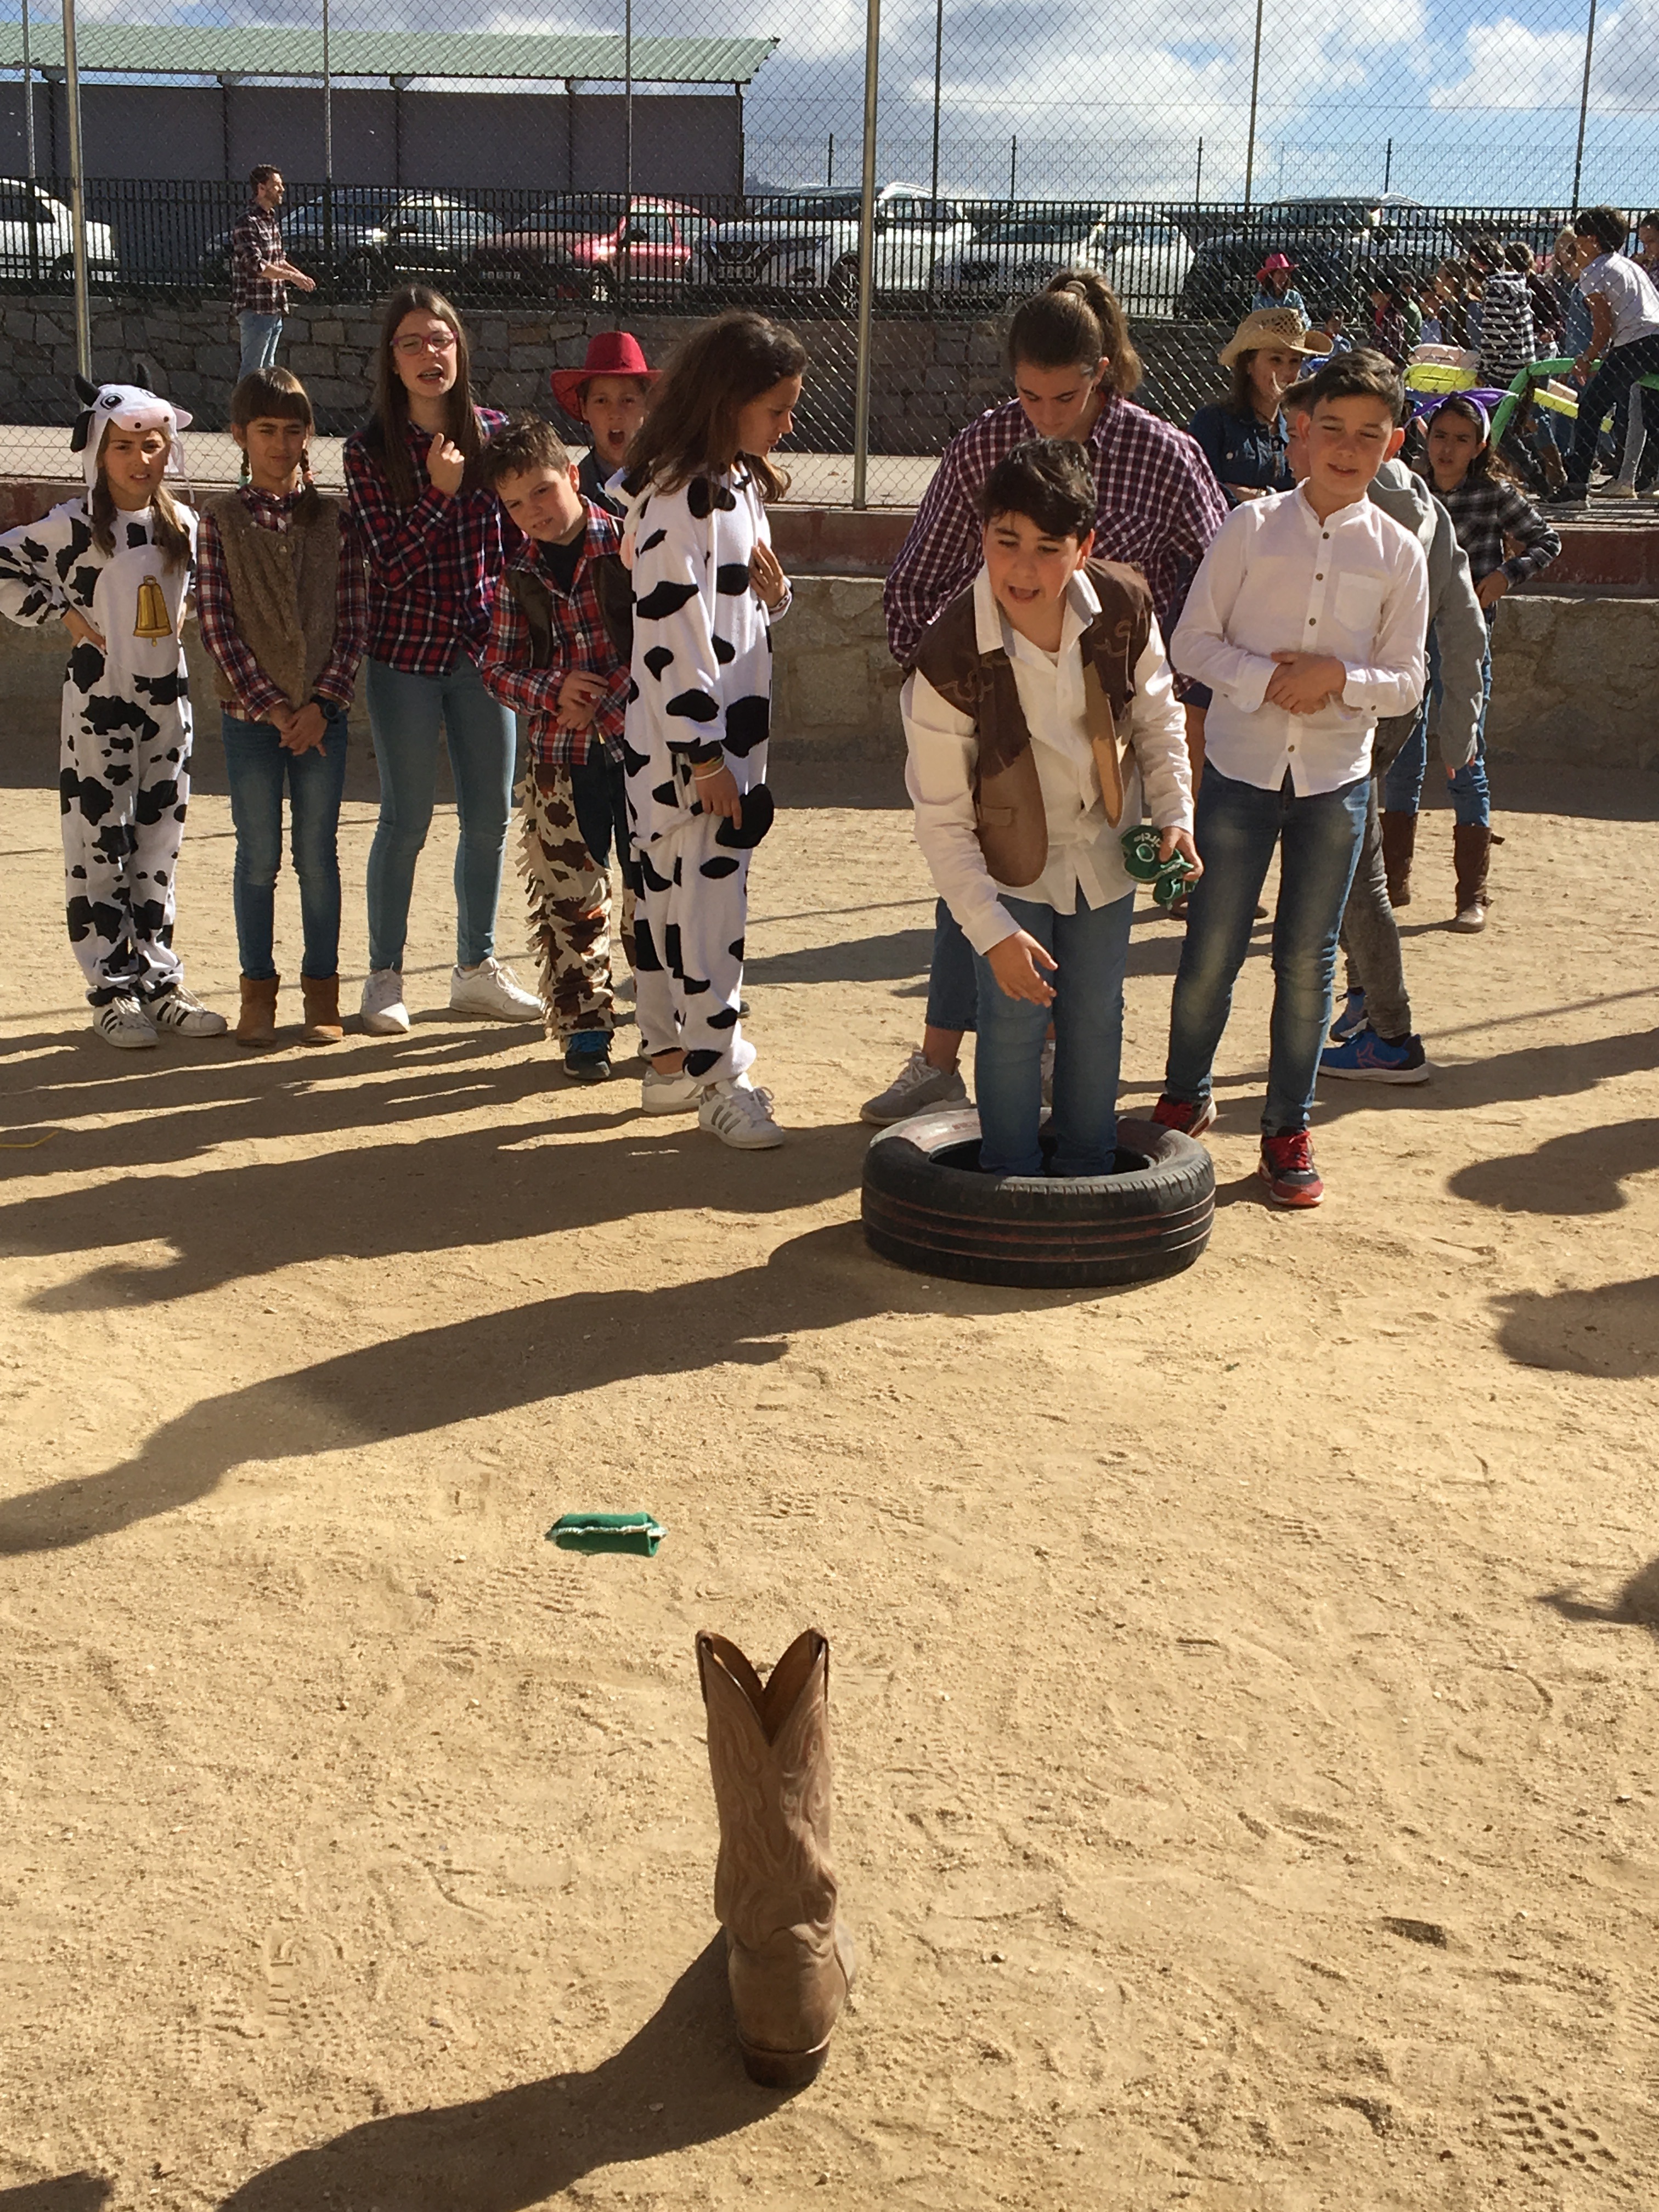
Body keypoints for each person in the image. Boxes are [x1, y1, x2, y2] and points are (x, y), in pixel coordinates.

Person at [865, 269, 1227, 1127]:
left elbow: (1218, 574)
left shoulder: (1165, 452)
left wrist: (1181, 686)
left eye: (1066, 397)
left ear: (1102, 372)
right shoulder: (982, 447)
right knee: (977, 883)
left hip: (1113, 721)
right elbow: (912, 585)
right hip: (998, 711)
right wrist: (955, 689)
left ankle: (1069, 1073)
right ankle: (940, 1064)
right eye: (1029, 396)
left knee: (1094, 926)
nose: (1046, 416)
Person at [1155, 348, 1429, 1208]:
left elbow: (1408, 679)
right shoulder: (1250, 528)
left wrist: (1337, 679)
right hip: (1239, 773)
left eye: (1370, 435)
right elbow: (1191, 642)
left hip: (1334, 784)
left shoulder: (1399, 552)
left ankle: (1285, 1127)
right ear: (1301, 432)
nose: (1348, 449)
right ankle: (1185, 1095)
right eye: (1332, 429)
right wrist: (1264, 680)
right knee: (1211, 950)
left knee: (1307, 964)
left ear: (1393, 446)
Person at [902, 438, 1196, 1175]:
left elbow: (1159, 721)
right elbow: (941, 817)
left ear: (1084, 548)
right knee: (1011, 1020)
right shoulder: (948, 652)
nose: (1023, 570)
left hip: (1103, 849)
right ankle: (1008, 1181)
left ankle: (1089, 1173)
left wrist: (1174, 814)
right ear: (982, 536)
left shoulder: (1124, 606)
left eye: (1047, 549)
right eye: (1006, 542)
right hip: (1012, 862)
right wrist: (992, 932)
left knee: (1095, 1016)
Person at [1259, 382, 1486, 1086]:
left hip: (1351, 709)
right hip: (1391, 710)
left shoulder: (1357, 507)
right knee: (1360, 865)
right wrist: (1460, 723)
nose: (1300, 448)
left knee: (1355, 875)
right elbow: (1464, 620)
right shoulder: (1420, 500)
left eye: (1304, 432)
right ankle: (1366, 1005)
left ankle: (1391, 1033)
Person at [616, 309, 802, 1149]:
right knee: (703, 911)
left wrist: (776, 597)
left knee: (669, 904)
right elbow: (670, 637)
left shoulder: (734, 484)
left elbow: (734, 612)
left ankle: (669, 1065)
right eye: (776, 409)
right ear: (730, 403)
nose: (787, 426)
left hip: (714, 748)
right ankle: (719, 1078)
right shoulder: (678, 499)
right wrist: (703, 755)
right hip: (694, 756)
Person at [0, 382, 227, 1047]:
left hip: (167, 704)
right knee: (100, 840)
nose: (139, 460)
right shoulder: (70, 527)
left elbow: (207, 584)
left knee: (159, 840)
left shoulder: (184, 525)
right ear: (99, 453)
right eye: (123, 447)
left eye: (151, 446)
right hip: (100, 705)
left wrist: (191, 608)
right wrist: (64, 616)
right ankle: (110, 986)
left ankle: (158, 980)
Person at [345, 285, 540, 1035]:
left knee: (490, 816)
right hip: (404, 657)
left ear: (461, 348)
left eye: (442, 340)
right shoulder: (367, 452)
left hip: (484, 657)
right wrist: (438, 493)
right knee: (406, 819)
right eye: (413, 343)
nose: (431, 354)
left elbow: (521, 539)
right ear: (392, 362)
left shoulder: (497, 436)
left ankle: (475, 971)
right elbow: (389, 568)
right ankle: (384, 976)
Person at [195, 366, 367, 1049]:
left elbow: (353, 621)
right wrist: (273, 709)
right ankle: (257, 994)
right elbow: (217, 626)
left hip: (324, 720)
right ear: (241, 436)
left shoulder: (334, 521)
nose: (280, 444)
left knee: (317, 857)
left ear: (308, 436)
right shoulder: (220, 521)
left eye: (293, 431)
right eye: (265, 430)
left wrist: (322, 704)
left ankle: (322, 993)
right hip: (250, 722)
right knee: (258, 857)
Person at [478, 415, 635, 1084]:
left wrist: (603, 696)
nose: (533, 513)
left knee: (655, 889)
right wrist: (552, 689)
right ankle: (585, 1027)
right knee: (569, 896)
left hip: (639, 750)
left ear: (572, 475)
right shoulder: (517, 575)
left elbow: (664, 642)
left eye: (542, 491)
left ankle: (669, 1019)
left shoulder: (629, 547)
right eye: (515, 505)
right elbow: (495, 669)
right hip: (558, 761)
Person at [1383, 393, 1559, 931]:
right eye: (1440, 436)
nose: (1448, 449)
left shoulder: (1493, 495)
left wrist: (1506, 574)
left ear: (1480, 446)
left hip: (1465, 640)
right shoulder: (1409, 490)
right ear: (1425, 438)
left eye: (1462, 440)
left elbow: (1547, 540)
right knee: (1402, 755)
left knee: (1464, 755)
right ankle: (1392, 882)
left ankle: (1471, 894)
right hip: (1409, 639)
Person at [1551, 207, 1659, 504]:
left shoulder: (1593, 273)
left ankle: (1576, 488)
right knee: (1653, 415)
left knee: (1590, 409)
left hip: (1635, 345)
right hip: (1653, 341)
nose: (1577, 247)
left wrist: (1586, 359)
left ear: (1593, 240)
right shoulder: (1628, 266)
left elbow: (1604, 326)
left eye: (1580, 239)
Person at [1188, 308, 1328, 507]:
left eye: (1294, 361)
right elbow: (1199, 490)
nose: (1286, 371)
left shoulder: (1301, 428)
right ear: (1249, 364)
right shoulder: (1213, 422)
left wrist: (1252, 495)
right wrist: (1266, 498)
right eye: (1276, 360)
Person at [549, 329, 657, 513]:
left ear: (647, 405)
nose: (615, 413)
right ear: (584, 408)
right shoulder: (574, 494)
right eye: (601, 401)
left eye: (628, 400)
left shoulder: (669, 483)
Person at [230, 165, 315, 382]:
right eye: (276, 185)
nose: (282, 190)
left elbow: (278, 260)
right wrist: (292, 277)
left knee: (267, 375)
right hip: (255, 309)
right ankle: (243, 406)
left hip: (274, 307)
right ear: (261, 188)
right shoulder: (247, 223)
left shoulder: (271, 220)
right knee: (252, 374)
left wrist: (299, 275)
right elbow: (257, 265)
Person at [1467, 234, 1535, 393]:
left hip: (1503, 371)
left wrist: (1484, 370)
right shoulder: (1516, 286)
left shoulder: (1495, 293)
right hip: (1523, 366)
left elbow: (1496, 339)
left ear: (1480, 265)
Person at [1253, 253, 1308, 322]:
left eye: (1286, 273)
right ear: (1271, 276)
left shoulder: (1294, 297)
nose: (1284, 276)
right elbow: (1257, 322)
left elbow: (1305, 319)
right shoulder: (1260, 298)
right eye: (1279, 273)